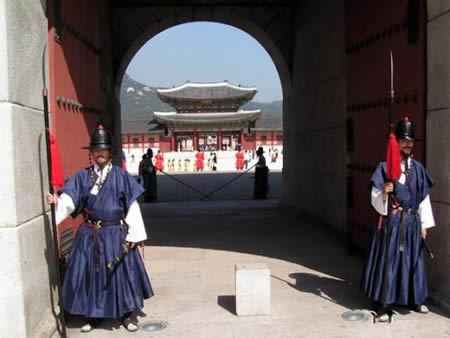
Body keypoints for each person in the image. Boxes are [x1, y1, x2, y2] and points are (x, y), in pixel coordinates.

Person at [46, 125, 153, 333]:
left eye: (103, 150)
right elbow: (69, 200)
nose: (100, 153)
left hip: (116, 235)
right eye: (96, 150)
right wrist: (56, 202)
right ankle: (92, 316)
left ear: (110, 152)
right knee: (90, 275)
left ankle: (126, 314)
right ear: (91, 153)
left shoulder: (121, 176)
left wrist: (136, 233)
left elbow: (132, 205)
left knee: (121, 275)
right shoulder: (82, 177)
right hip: (90, 234)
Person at [361, 117, 435, 322]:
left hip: (412, 222)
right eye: (404, 140)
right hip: (393, 223)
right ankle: (385, 303)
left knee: (413, 262)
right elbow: (375, 198)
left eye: (411, 141)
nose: (408, 144)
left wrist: (424, 224)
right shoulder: (384, 167)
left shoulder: (418, 169)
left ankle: (414, 299)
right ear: (396, 143)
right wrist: (384, 192)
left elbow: (423, 197)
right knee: (390, 262)